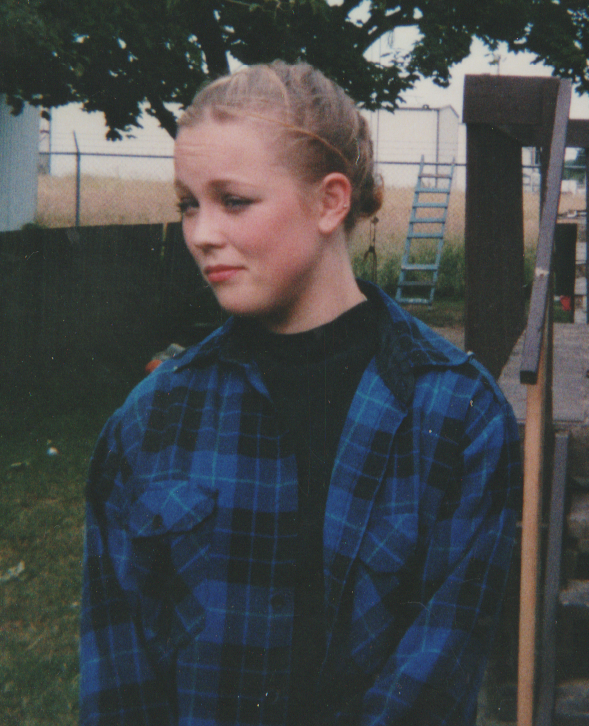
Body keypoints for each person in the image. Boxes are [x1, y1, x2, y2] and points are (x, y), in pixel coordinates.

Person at [80, 62, 520, 725]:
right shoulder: (149, 422)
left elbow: (437, 676)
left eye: (234, 200)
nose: (200, 232)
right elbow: (121, 677)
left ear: (329, 201)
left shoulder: (456, 415)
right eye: (188, 203)